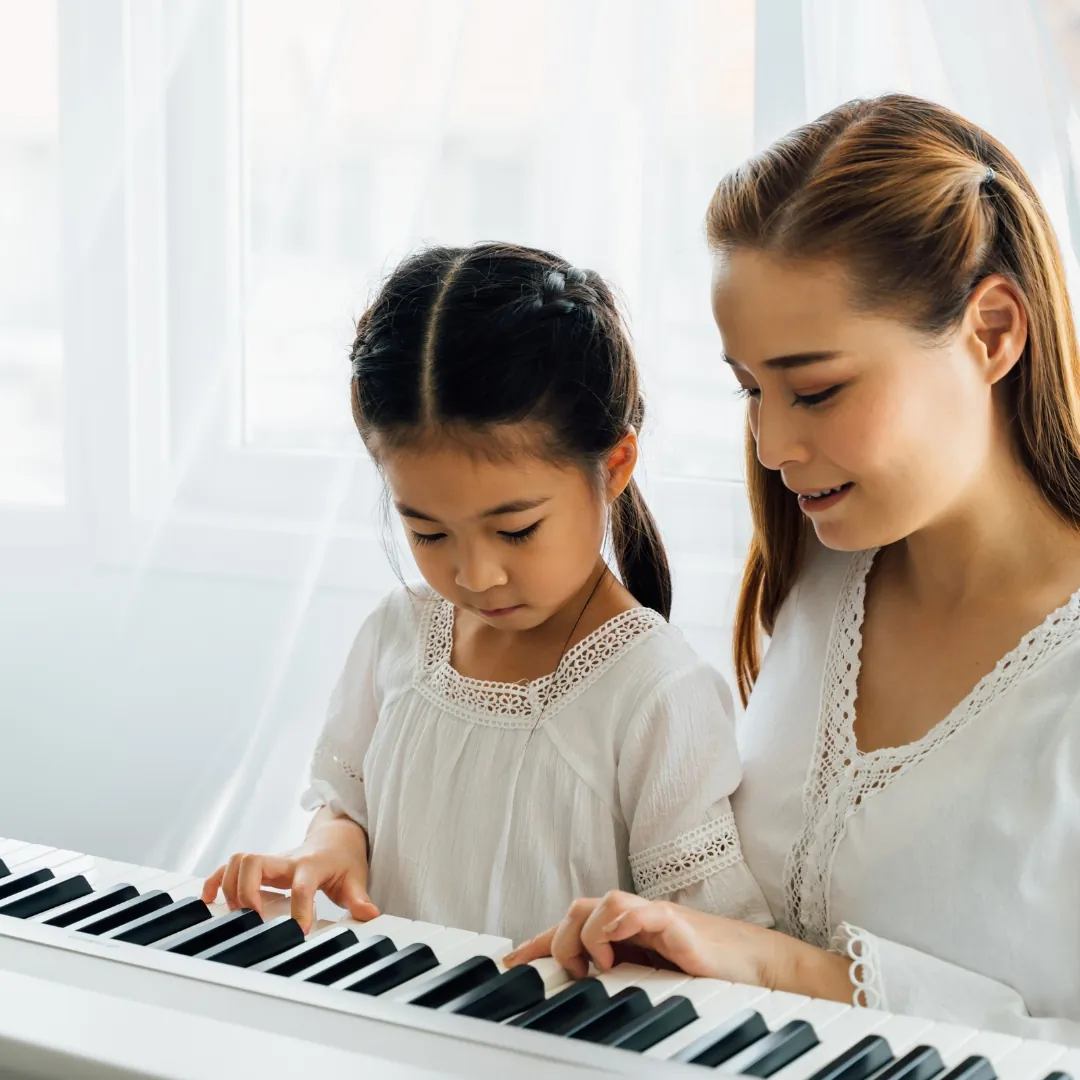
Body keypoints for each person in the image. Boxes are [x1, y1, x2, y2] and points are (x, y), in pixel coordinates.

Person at [507, 95, 1080, 1042]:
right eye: (750, 390)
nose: (772, 445)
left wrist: (781, 968)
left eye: (816, 389)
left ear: (992, 333)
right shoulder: (824, 576)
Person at [201, 242, 771, 944]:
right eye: (429, 533)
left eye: (516, 530)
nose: (475, 576)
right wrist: (333, 846)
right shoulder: (400, 633)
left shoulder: (656, 691)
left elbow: (709, 936)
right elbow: (347, 802)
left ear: (615, 465)